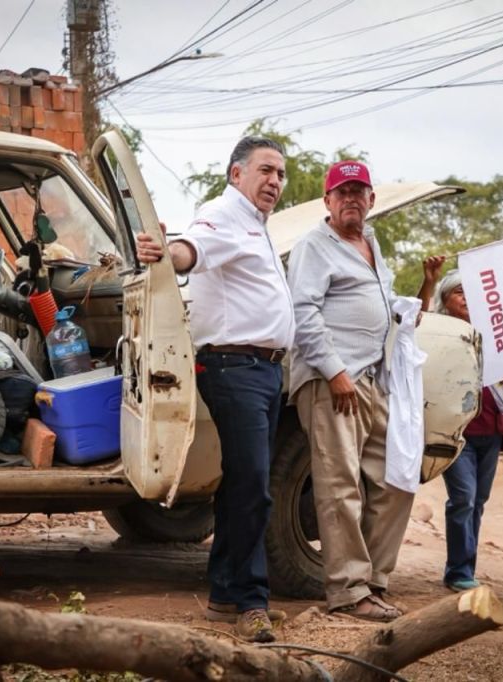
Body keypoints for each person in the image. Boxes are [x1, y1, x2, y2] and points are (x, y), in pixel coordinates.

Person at [135, 136, 293, 643]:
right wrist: (166, 252)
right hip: (235, 367)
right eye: (265, 170)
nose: (275, 181)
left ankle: (226, 593)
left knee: (242, 484)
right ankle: (251, 602)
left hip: (263, 370)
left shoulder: (257, 225)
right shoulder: (223, 214)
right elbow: (190, 251)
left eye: (280, 173)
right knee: (253, 488)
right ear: (236, 174)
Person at [288, 159, 442, 621]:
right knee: (340, 486)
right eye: (342, 192)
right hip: (333, 380)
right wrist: (335, 372)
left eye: (359, 192)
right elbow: (303, 313)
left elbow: (388, 308)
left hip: (373, 379)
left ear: (371, 200)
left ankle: (373, 582)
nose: (351, 199)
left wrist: (427, 287)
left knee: (397, 479)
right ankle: (348, 591)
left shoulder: (371, 242)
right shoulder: (315, 245)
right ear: (327, 201)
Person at [434, 270, 503, 592]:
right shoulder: (439, 332)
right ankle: (458, 571)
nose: (466, 298)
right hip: (457, 432)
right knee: (463, 498)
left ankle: (465, 567)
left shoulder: (493, 333)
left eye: (470, 292)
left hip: (492, 429)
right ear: (445, 300)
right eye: (459, 292)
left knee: (478, 500)